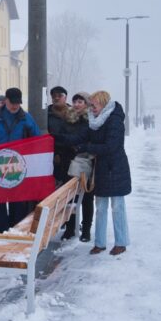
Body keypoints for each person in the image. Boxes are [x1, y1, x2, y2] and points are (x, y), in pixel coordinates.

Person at [55, 91, 131, 255]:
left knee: (117, 207)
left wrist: (87, 148)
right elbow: (79, 137)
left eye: (93, 105)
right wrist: (56, 138)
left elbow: (111, 146)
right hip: (101, 169)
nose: (91, 108)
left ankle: (121, 242)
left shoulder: (114, 121)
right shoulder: (94, 121)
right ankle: (100, 243)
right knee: (101, 207)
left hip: (116, 168)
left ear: (103, 104)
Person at [0, 87, 41, 232]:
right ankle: (2, 229)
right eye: (12, 102)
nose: (15, 105)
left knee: (19, 200)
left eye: (17, 103)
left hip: (19, 165)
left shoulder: (26, 118)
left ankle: (17, 228)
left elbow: (37, 139)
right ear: (5, 101)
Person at [61, 92, 95, 242]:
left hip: (86, 163)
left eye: (80, 101)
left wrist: (80, 147)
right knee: (70, 198)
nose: (76, 104)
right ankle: (69, 228)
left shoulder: (93, 121)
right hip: (68, 162)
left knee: (87, 197)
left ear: (87, 104)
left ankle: (86, 229)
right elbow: (62, 139)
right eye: (75, 101)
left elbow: (93, 140)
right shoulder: (67, 119)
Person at [47, 86, 72, 185]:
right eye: (54, 96)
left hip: (70, 156)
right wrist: (55, 153)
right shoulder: (46, 115)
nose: (56, 98)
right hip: (52, 157)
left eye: (59, 95)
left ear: (65, 98)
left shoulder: (74, 114)